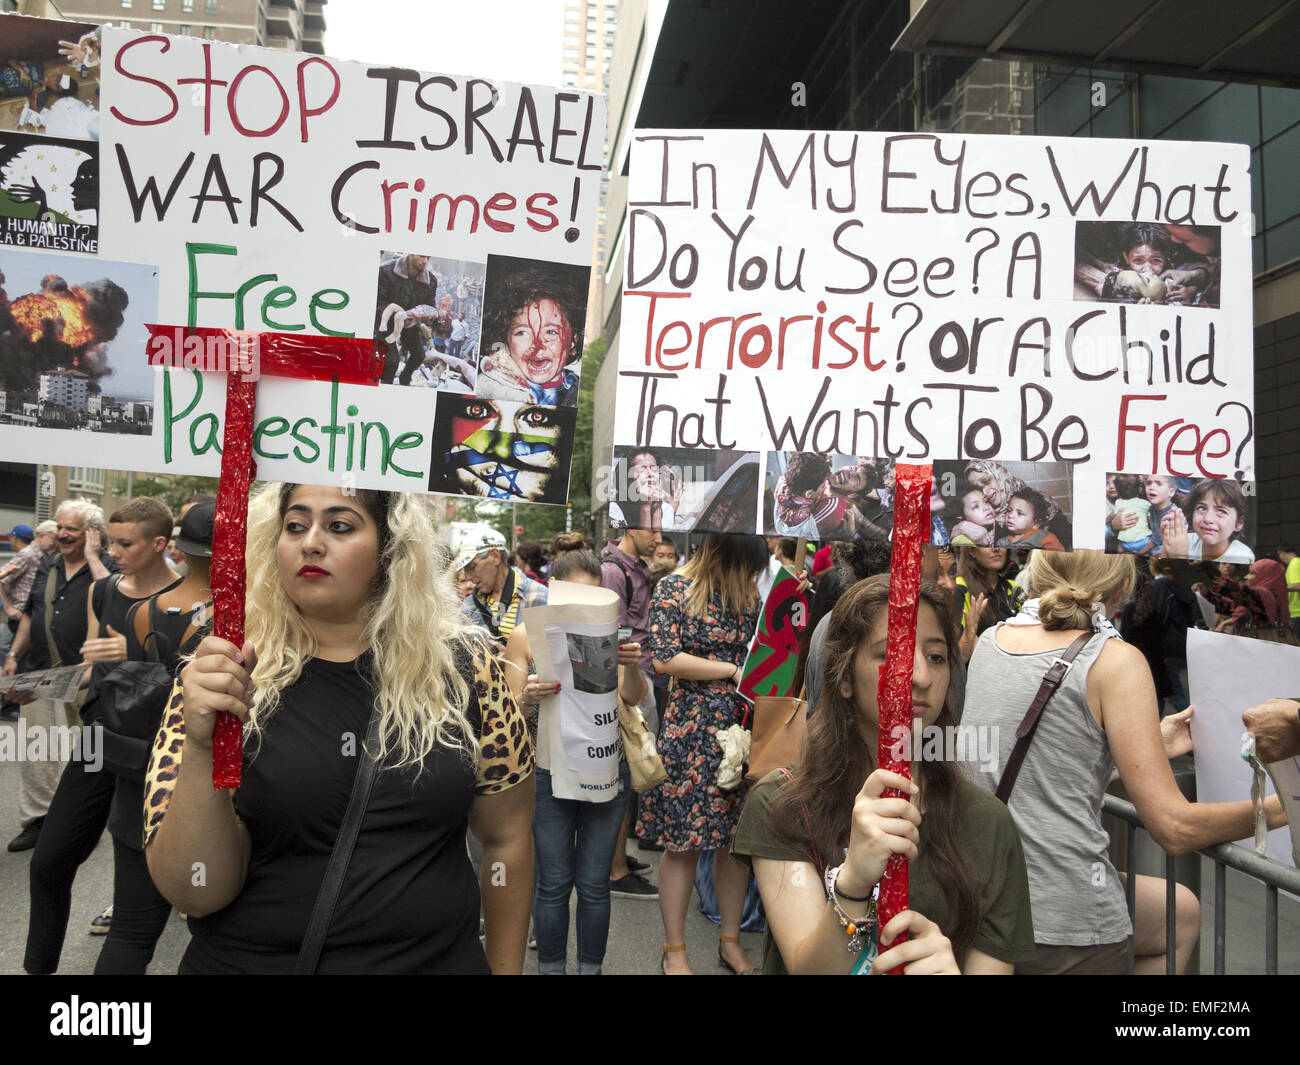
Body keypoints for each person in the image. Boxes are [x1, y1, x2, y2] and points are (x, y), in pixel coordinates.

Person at [143, 484, 535, 973]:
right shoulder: (226, 668)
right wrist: (202, 750)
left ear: (391, 550)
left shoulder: (467, 666)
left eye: (340, 525)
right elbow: (195, 891)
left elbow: (507, 841)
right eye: (295, 525)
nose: (310, 542)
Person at [962, 550, 1288, 974]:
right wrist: (1286, 806)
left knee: (1181, 912)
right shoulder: (1116, 660)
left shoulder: (992, 640)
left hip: (980, 896)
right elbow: (1174, 827)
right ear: (1122, 585)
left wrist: (1146, 744)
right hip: (1064, 919)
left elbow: (1023, 763)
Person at [731, 574, 1035, 974]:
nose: (921, 677)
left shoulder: (989, 823)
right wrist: (853, 882)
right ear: (843, 677)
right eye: (893, 654)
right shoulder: (782, 803)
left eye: (937, 656)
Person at [23, 497, 178, 973]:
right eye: (111, 540)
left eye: (124, 542)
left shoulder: (187, 600)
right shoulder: (103, 590)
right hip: (96, 734)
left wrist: (131, 654)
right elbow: (92, 670)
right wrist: (35, 686)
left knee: (137, 877)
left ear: (159, 544)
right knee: (48, 861)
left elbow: (184, 681)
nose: (113, 551)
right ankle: (37, 967)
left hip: (152, 749)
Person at [503, 550, 651, 973]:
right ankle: (552, 968)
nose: (586, 606)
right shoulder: (525, 635)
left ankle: (591, 969)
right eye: (576, 596)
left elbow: (632, 698)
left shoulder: (612, 634)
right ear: (555, 592)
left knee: (593, 885)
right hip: (548, 771)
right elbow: (509, 712)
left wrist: (632, 666)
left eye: (595, 595)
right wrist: (528, 695)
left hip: (605, 767)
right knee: (551, 885)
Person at [640, 532, 768, 974]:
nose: (750, 574)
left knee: (736, 846)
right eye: (746, 565)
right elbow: (664, 658)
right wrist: (731, 669)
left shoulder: (752, 597)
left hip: (741, 729)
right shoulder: (674, 588)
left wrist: (793, 599)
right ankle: (674, 951)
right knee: (683, 846)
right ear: (725, 555)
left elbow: (770, 655)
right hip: (690, 730)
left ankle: (729, 942)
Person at [96, 501, 214, 975]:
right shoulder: (242, 618)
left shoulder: (144, 610)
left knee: (129, 929)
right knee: (216, 933)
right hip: (201, 780)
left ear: (180, 550)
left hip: (142, 777)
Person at [3, 501, 115, 853]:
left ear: (92, 534)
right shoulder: (48, 564)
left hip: (88, 676)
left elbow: (114, 597)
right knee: (39, 751)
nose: (63, 535)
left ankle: (87, 821)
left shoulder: (107, 567)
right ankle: (37, 820)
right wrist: (13, 655)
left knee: (89, 755)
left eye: (73, 529)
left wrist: (95, 557)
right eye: (61, 528)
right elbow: (32, 615)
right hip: (40, 670)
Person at [600, 523, 662, 896]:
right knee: (625, 772)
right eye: (652, 530)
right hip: (629, 678)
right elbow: (616, 631)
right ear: (631, 527)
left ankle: (617, 855)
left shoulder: (635, 565)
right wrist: (630, 679)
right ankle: (615, 869)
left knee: (632, 771)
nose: (658, 538)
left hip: (639, 674)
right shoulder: (613, 569)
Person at [477, 264, 585, 406]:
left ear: (573, 342)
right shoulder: (487, 389)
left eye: (551, 332)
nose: (537, 345)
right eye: (522, 332)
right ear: (506, 344)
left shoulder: (581, 394)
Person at [455, 523, 547, 647]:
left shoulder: (539, 597)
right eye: (465, 570)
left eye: (472, 567)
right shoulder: (469, 606)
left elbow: (555, 657)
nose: (467, 577)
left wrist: (515, 659)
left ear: (495, 556)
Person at [376, 252, 441, 387]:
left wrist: (431, 319)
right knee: (392, 361)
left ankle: (405, 379)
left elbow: (429, 306)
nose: (425, 261)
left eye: (428, 257)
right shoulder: (385, 271)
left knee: (419, 355)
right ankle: (385, 388)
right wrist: (396, 316)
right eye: (422, 256)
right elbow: (378, 302)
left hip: (410, 324)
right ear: (411, 253)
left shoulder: (431, 281)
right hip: (385, 322)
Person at [953, 546, 1025, 663]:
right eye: (987, 545)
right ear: (971, 551)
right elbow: (957, 659)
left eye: (1001, 542)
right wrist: (970, 636)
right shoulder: (960, 588)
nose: (996, 549)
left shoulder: (1014, 588)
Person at [1160, 478, 1255, 564]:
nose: (1208, 519)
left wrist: (1179, 557)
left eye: (1221, 511)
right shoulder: (1183, 540)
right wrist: (1167, 547)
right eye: (1201, 508)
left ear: (1239, 523)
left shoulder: (1242, 556)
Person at [997, 488, 1066, 552]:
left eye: (1019, 513)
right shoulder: (1002, 542)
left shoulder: (1044, 537)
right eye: (1009, 511)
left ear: (1036, 523)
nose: (1010, 515)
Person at [1282, 544, 1300, 644]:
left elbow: (1297, 585)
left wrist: (1280, 588)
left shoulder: (1294, 563)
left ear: (1282, 553)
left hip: (1297, 612)